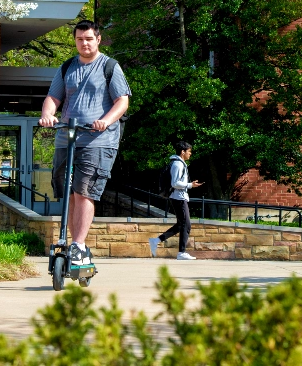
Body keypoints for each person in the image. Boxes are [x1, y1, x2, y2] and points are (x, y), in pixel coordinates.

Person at [39, 20, 131, 265]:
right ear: (75, 40)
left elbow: (122, 101)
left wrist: (105, 120)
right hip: (66, 137)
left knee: (84, 191)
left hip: (98, 140)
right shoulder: (67, 66)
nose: (85, 43)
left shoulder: (110, 66)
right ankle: (70, 243)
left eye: (89, 38)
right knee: (68, 192)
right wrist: (48, 114)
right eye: (80, 39)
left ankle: (79, 245)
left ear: (98, 39)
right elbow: (53, 97)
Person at [149, 141, 203, 260]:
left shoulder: (180, 164)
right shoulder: (178, 165)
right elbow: (175, 183)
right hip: (178, 198)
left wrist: (190, 185)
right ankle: (181, 253)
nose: (190, 154)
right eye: (189, 151)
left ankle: (156, 240)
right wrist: (190, 185)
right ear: (182, 152)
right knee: (186, 225)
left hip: (179, 197)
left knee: (181, 225)